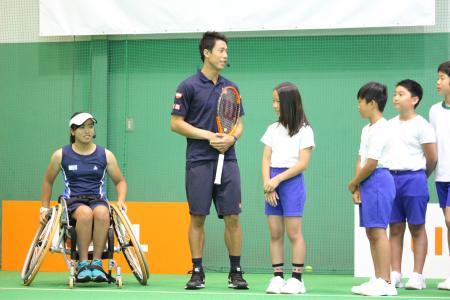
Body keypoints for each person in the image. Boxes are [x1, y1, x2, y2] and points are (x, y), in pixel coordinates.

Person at [170, 31, 248, 290]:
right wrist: (207, 136)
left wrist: (232, 139)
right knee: (197, 217)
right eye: (221, 50)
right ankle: (196, 271)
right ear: (206, 53)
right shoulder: (188, 86)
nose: (225, 55)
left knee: (233, 217)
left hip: (229, 161)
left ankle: (235, 272)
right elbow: (176, 124)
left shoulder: (231, 88)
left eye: (227, 51)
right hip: (199, 161)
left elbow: (238, 124)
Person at [39, 112, 127, 283]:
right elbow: (47, 181)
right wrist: (44, 208)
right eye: (82, 127)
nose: (87, 131)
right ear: (72, 131)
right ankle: (83, 264)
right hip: (73, 201)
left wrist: (121, 200)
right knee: (85, 213)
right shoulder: (61, 155)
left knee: (102, 213)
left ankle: (97, 264)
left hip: (97, 199)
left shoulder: (106, 155)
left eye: (90, 126)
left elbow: (120, 181)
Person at [260, 82, 314, 294]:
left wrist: (277, 180)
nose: (274, 105)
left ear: (289, 103)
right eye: (273, 101)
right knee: (275, 233)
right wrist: (268, 184)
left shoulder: (305, 130)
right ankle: (277, 278)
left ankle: (297, 279)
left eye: (277, 101)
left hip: (291, 182)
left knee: (293, 233)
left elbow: (303, 164)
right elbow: (266, 158)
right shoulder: (272, 129)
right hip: (272, 184)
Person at [348, 82, 397, 296]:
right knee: (371, 232)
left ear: (372, 103)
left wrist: (352, 182)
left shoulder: (383, 128)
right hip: (367, 181)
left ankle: (386, 282)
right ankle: (377, 278)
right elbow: (361, 158)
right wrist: (357, 185)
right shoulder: (366, 129)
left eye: (360, 102)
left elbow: (372, 163)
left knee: (378, 231)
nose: (358, 106)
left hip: (378, 179)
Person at [387, 79, 437, 290]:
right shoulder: (388, 125)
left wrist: (420, 177)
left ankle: (418, 275)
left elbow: (432, 158)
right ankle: (395, 273)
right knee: (395, 228)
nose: (396, 97)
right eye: (395, 93)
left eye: (401, 94)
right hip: (391, 179)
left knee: (417, 227)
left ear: (414, 99)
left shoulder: (423, 125)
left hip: (415, 178)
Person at [429, 61, 450, 290]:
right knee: (448, 224)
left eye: (442, 77)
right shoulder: (435, 110)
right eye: (438, 77)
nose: (438, 81)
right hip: (442, 176)